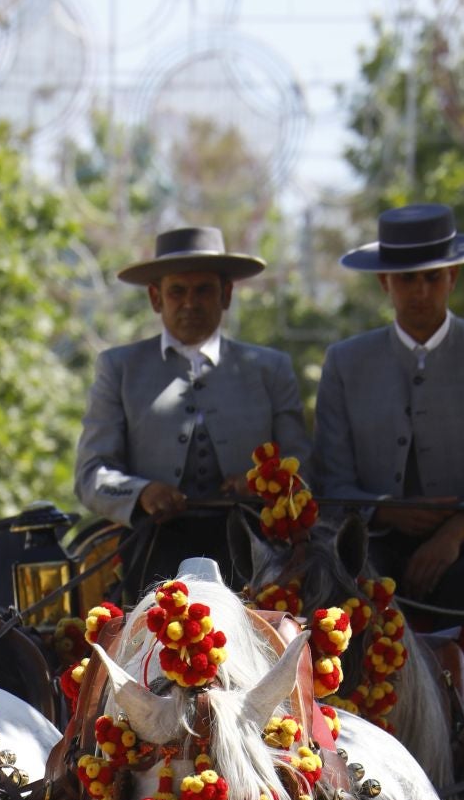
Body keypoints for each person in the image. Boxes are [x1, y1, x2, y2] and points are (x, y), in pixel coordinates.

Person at [315, 202, 464, 618]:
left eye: (432, 278)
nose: (420, 291)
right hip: (370, 542)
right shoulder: (345, 362)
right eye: (406, 279)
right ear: (385, 281)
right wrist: (383, 508)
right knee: (345, 593)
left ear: (452, 277)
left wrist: (455, 532)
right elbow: (331, 479)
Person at [74, 223, 310, 596]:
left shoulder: (269, 368)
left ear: (226, 294)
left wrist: (257, 483)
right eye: (177, 292)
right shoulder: (119, 369)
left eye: (203, 290)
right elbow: (91, 474)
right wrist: (143, 492)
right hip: (153, 548)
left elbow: (304, 465)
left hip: (254, 552)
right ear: (156, 298)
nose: (190, 302)